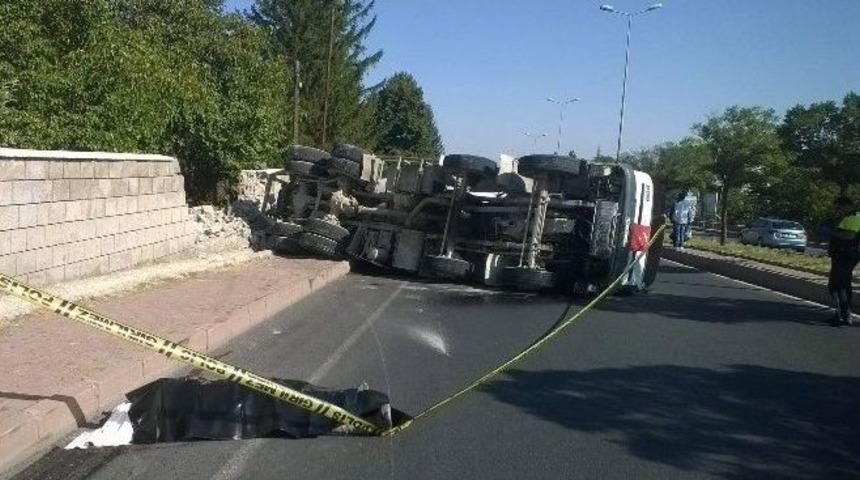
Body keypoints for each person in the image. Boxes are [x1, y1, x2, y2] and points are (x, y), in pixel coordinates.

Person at [827, 196, 860, 326]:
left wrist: (831, 233)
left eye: (839, 207)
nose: (838, 210)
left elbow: (849, 235)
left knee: (840, 284)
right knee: (837, 284)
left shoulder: (855, 217)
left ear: (846, 205)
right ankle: (841, 314)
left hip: (847, 255)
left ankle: (844, 314)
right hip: (841, 254)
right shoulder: (847, 217)